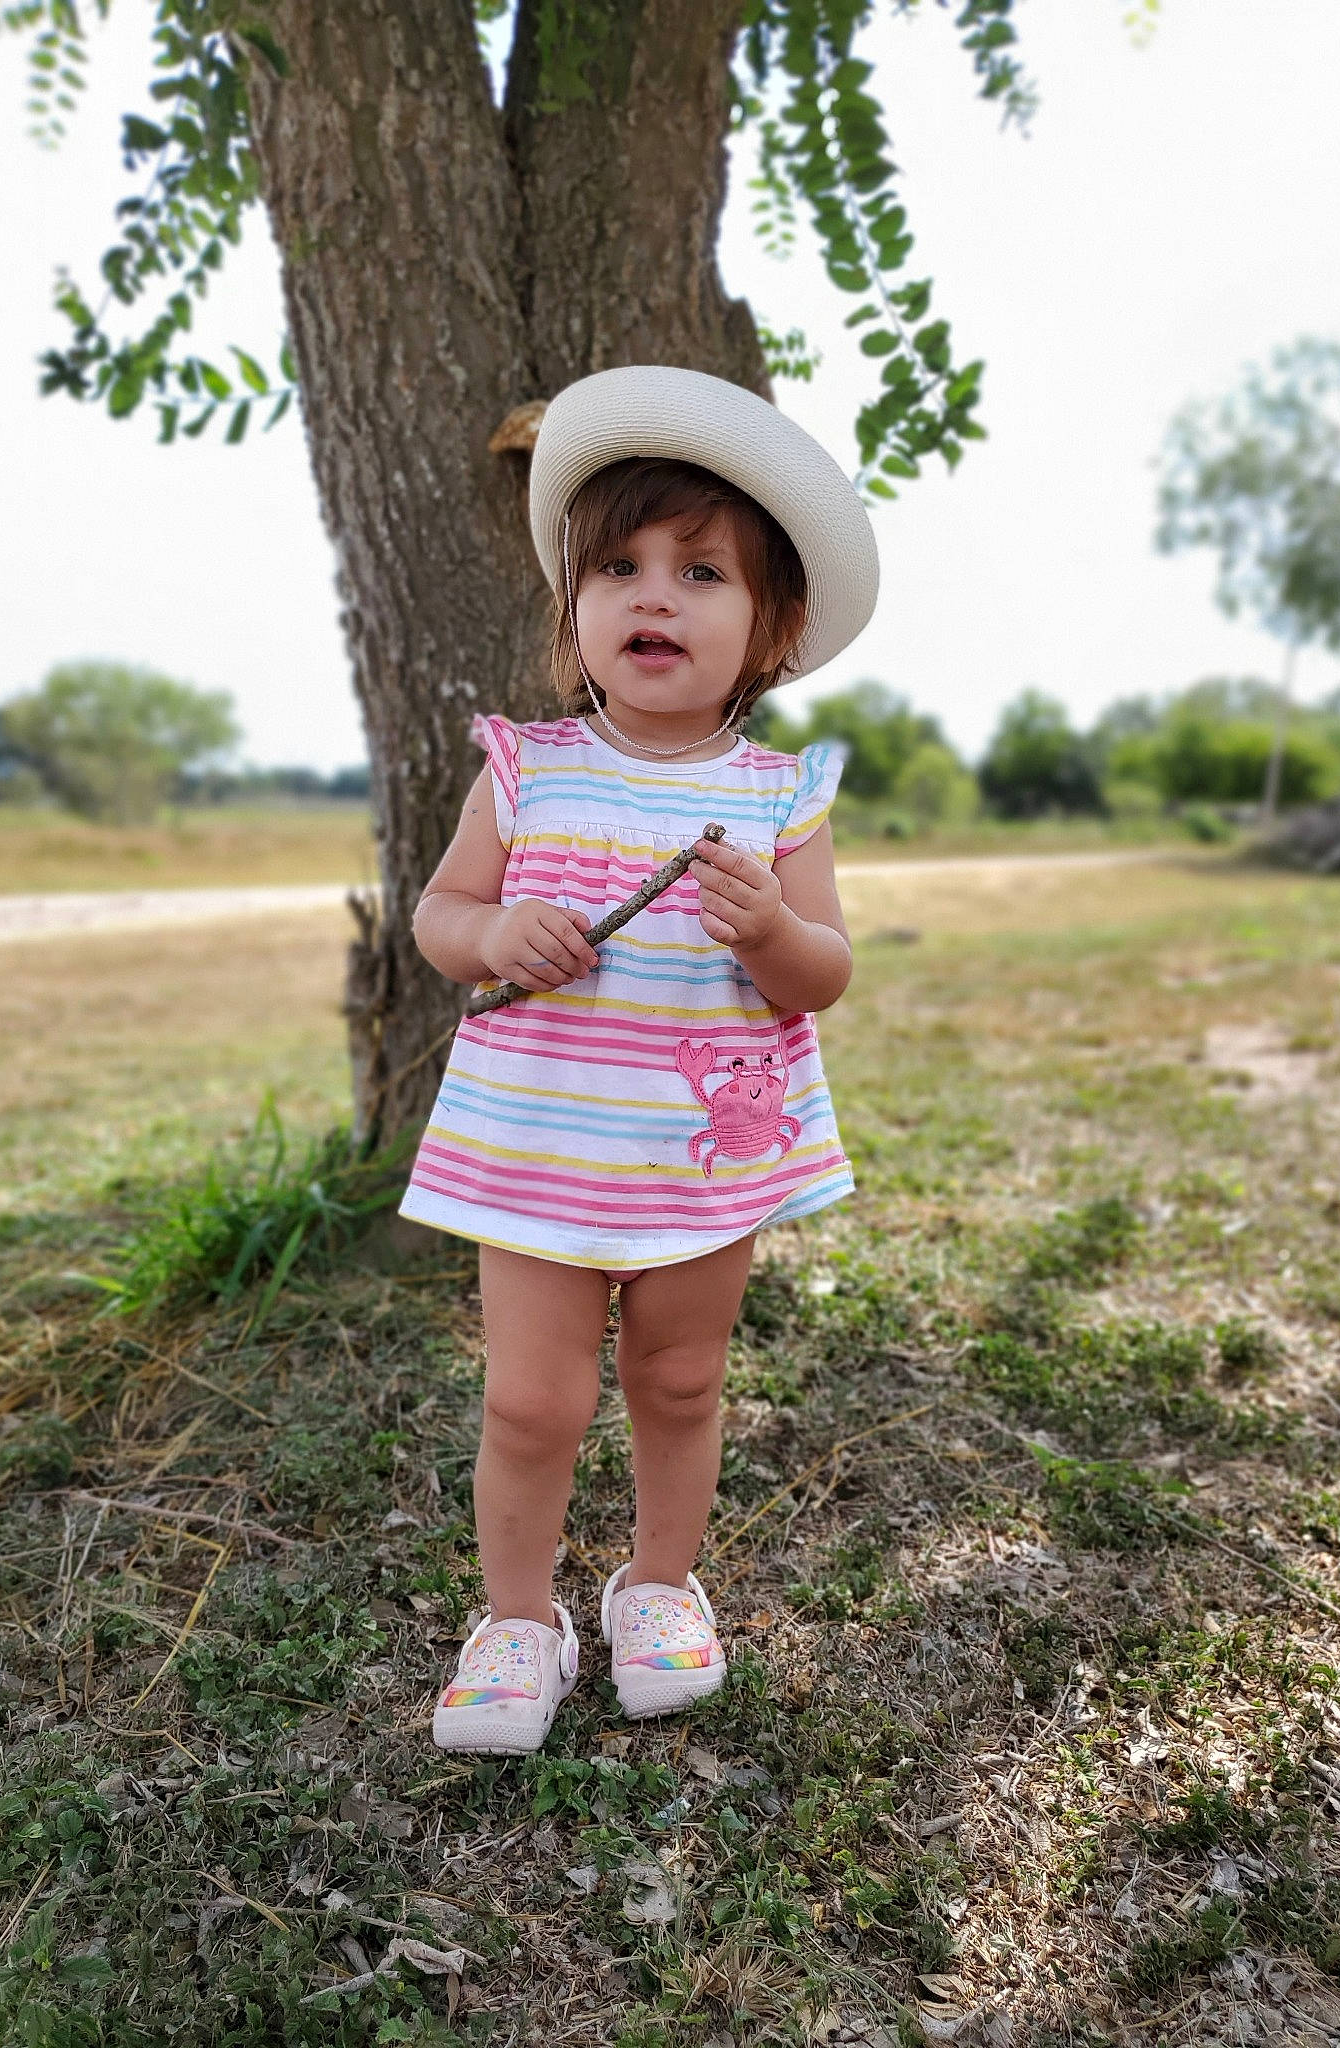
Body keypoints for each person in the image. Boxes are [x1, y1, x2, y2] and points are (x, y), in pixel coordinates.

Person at [396, 364, 880, 1754]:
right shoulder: (530, 767)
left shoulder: (776, 796)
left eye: (702, 571)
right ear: (576, 610)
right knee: (531, 1395)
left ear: (771, 624)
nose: (653, 594)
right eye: (619, 565)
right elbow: (437, 917)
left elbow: (826, 976)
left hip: (700, 1156)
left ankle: (658, 1586)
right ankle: (516, 1619)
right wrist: (500, 931)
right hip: (539, 1140)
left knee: (679, 1380)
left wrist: (772, 930)